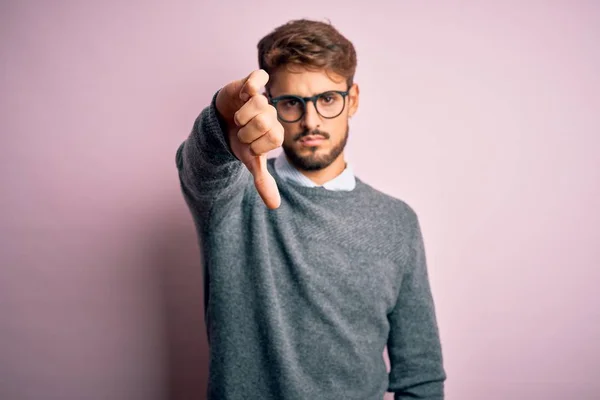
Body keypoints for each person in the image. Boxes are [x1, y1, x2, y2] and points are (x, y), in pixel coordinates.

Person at [176, 18, 446, 400]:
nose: (311, 120)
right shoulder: (235, 195)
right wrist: (222, 120)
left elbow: (420, 376)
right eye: (291, 103)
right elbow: (202, 168)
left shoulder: (397, 222)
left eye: (328, 99)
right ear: (269, 104)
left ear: (352, 100)